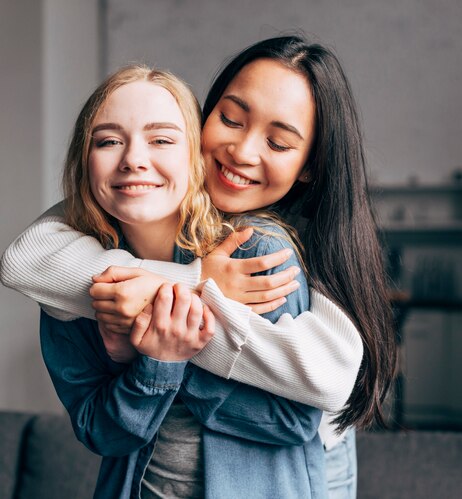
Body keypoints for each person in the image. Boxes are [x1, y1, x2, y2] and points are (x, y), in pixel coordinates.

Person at [0, 35, 398, 498]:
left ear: (311, 165)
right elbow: (25, 260)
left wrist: (156, 337)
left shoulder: (269, 247)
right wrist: (192, 282)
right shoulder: (91, 243)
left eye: (279, 142)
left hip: (305, 468)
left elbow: (322, 390)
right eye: (230, 119)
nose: (243, 152)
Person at [40, 63, 331, 498]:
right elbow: (97, 431)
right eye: (108, 141)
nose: (134, 159)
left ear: (193, 153)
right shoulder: (70, 273)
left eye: (161, 140)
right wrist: (157, 360)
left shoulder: (252, 250)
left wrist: (161, 356)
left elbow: (293, 420)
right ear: (85, 159)